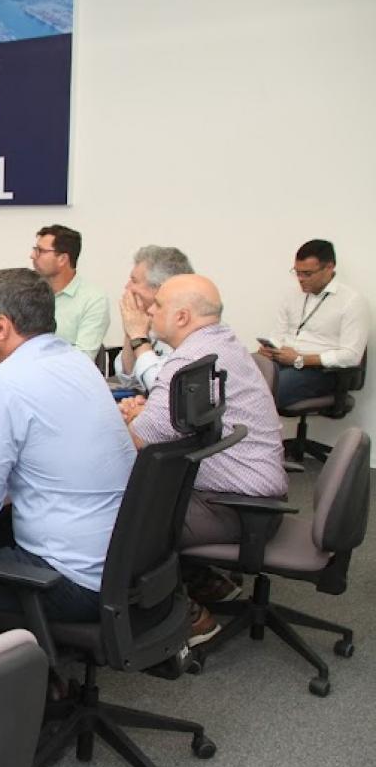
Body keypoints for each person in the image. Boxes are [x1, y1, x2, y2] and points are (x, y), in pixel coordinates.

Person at [0, 269, 136, 623]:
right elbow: (44, 457)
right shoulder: (77, 362)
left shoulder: (3, 383)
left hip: (68, 578)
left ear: (2, 326)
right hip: (118, 565)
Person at [121, 275, 288, 645]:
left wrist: (129, 419)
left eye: (158, 305)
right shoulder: (219, 343)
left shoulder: (190, 360)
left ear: (181, 317)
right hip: (246, 495)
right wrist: (143, 415)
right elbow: (165, 423)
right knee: (150, 494)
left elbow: (141, 440)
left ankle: (186, 615)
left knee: (122, 520)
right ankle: (204, 579)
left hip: (236, 506)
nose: (150, 310)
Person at [262, 239, 370, 409]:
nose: (301, 279)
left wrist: (301, 359)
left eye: (307, 274)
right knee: (239, 379)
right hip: (283, 363)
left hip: (322, 371)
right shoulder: (291, 296)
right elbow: (278, 335)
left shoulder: (352, 301)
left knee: (266, 391)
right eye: (297, 273)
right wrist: (270, 348)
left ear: (329, 267)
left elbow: (351, 356)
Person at [117, 245, 194, 392]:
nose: (127, 287)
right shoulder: (152, 320)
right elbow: (128, 379)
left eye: (134, 281)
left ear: (160, 288)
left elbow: (165, 389)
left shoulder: (188, 325)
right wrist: (131, 330)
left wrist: (138, 336)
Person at [29, 224, 109, 357]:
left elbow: (83, 358)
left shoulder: (93, 300)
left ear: (62, 259)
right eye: (34, 249)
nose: (32, 256)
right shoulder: (26, 291)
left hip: (63, 374)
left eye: (40, 251)